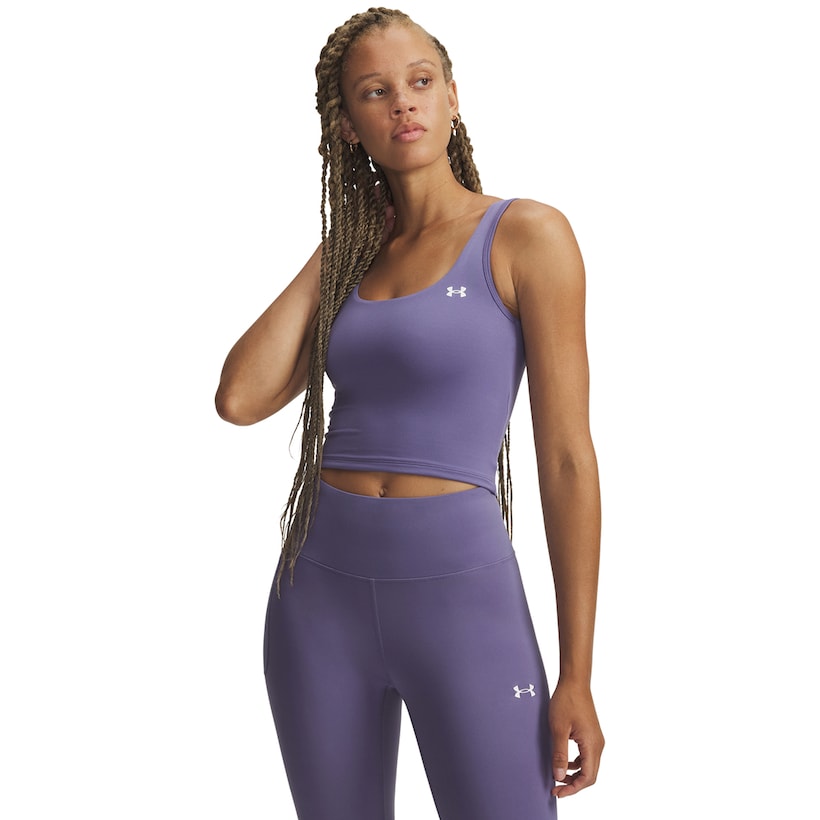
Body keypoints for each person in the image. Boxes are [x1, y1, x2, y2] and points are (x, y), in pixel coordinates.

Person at [215, 7, 604, 819]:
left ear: (453, 96)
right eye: (374, 91)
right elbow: (240, 397)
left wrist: (577, 673)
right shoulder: (354, 257)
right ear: (347, 126)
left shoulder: (527, 235)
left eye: (421, 81)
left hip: (462, 599)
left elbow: (567, 460)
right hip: (318, 597)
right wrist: (343, 243)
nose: (403, 103)